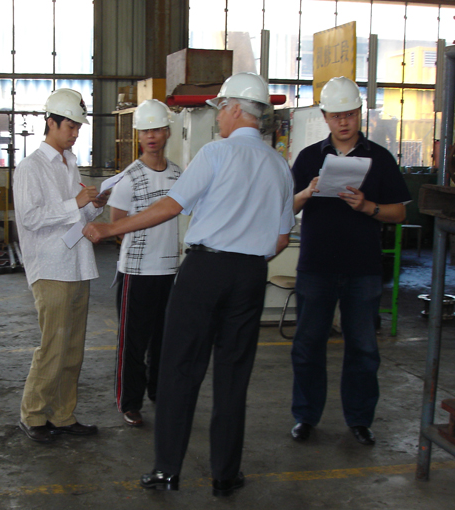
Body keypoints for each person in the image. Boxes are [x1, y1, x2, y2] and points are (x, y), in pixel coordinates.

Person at [84, 72, 294, 497]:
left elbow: (170, 205)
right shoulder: (279, 166)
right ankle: (225, 474)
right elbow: (281, 239)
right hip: (251, 276)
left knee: (180, 369)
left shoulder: (215, 153)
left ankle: (167, 470)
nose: (218, 118)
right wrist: (246, 254)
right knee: (233, 377)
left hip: (205, 272)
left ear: (234, 109)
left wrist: (110, 229)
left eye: (220, 109)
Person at [289, 76, 410, 446]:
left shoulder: (380, 158)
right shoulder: (309, 158)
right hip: (316, 266)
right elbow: (286, 207)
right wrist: (307, 192)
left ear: (360, 113)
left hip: (363, 269)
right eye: (336, 115)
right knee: (308, 346)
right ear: (325, 117)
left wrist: (367, 206)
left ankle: (359, 420)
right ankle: (306, 417)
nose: (344, 122)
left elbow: (399, 213)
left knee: (363, 348)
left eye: (350, 114)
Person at [14, 88, 109, 443]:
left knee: (72, 349)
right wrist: (75, 203)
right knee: (53, 346)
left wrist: (95, 205)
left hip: (78, 264)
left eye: (78, 127)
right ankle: (33, 414)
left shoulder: (70, 164)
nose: (75, 133)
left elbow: (76, 215)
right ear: (50, 122)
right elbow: (31, 217)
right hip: (51, 267)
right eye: (70, 126)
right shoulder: (31, 167)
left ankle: (63, 414)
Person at [108, 99, 182, 427]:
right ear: (138, 136)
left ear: (167, 132)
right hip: (137, 273)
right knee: (133, 343)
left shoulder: (179, 175)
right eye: (145, 131)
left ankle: (159, 392)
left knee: (164, 340)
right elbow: (116, 225)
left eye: (157, 130)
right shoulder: (129, 177)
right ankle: (130, 402)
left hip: (169, 271)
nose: (151, 136)